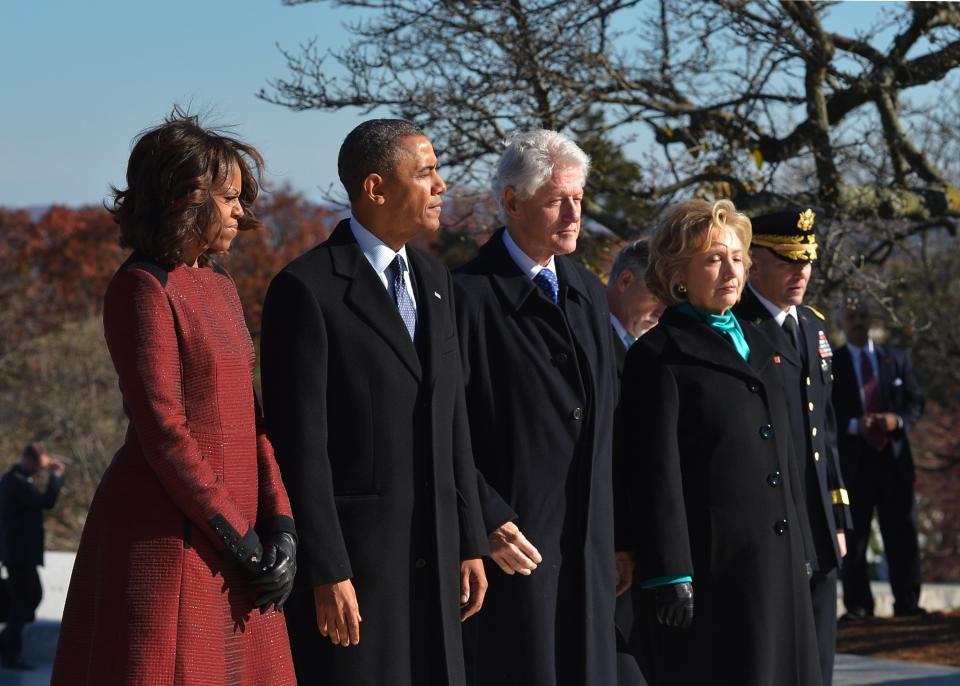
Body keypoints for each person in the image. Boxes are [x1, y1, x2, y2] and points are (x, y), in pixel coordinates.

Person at [52, 111, 298, 686]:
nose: (243, 211)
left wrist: (281, 521)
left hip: (238, 541)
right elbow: (165, 431)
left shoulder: (220, 285)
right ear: (185, 196)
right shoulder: (141, 287)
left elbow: (251, 417)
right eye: (229, 197)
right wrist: (239, 538)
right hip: (170, 540)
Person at [260, 119, 488, 686]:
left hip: (436, 562)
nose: (442, 186)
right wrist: (326, 569)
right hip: (360, 572)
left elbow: (451, 420)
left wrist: (469, 537)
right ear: (376, 188)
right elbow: (300, 447)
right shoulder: (306, 288)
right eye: (427, 172)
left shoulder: (436, 280)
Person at [618, 198, 822, 686]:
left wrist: (805, 547)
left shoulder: (765, 344)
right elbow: (654, 474)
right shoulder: (659, 355)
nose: (731, 269)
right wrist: (670, 574)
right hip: (716, 572)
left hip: (781, 563)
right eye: (713, 259)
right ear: (679, 273)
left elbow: (787, 457)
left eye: (736, 257)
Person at [453, 129, 620, 686]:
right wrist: (484, 516)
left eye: (578, 198)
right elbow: (443, 429)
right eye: (556, 201)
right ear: (512, 202)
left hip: (589, 552)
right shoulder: (465, 297)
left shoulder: (587, 290)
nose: (574, 214)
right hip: (513, 551)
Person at [733, 208, 853, 686]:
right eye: (788, 261)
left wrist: (839, 514)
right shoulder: (737, 327)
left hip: (817, 520)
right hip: (771, 518)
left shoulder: (814, 328)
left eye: (806, 262)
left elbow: (825, 430)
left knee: (819, 658)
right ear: (754, 261)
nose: (801, 272)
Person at [833, 296, 925, 618]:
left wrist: (895, 421)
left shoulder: (895, 359)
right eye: (851, 316)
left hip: (894, 461)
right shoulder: (831, 362)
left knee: (902, 533)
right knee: (855, 538)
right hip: (855, 464)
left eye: (862, 315)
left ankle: (908, 604)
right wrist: (855, 425)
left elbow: (915, 402)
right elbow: (825, 413)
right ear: (841, 322)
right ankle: (859, 607)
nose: (858, 321)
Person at [607, 239, 663, 679]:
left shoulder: (655, 351)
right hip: (608, 538)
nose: (663, 310)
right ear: (625, 281)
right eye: (657, 297)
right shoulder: (591, 337)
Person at [0, 442, 65, 670]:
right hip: (18, 554)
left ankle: (7, 645)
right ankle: (9, 651)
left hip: (20, 554)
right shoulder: (15, 481)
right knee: (24, 600)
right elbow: (46, 502)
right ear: (27, 459)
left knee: (26, 600)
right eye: (38, 464)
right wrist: (56, 475)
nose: (39, 470)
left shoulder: (19, 480)